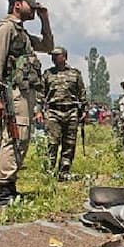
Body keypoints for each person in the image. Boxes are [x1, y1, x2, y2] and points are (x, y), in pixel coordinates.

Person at [0, 0, 53, 207]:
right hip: (12, 92)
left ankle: (10, 187)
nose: (34, 9)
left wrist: (45, 20)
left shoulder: (21, 32)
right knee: (14, 137)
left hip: (24, 92)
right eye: (30, 5)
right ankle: (3, 192)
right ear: (17, 4)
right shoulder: (6, 29)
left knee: (20, 138)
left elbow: (48, 46)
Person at [42, 46, 87, 181]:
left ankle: (64, 172)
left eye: (57, 55)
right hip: (53, 111)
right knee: (52, 142)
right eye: (53, 56)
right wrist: (38, 111)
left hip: (71, 111)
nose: (54, 58)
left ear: (65, 57)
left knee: (69, 143)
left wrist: (84, 110)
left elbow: (82, 93)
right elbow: (40, 94)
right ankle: (49, 171)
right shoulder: (47, 74)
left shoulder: (75, 73)